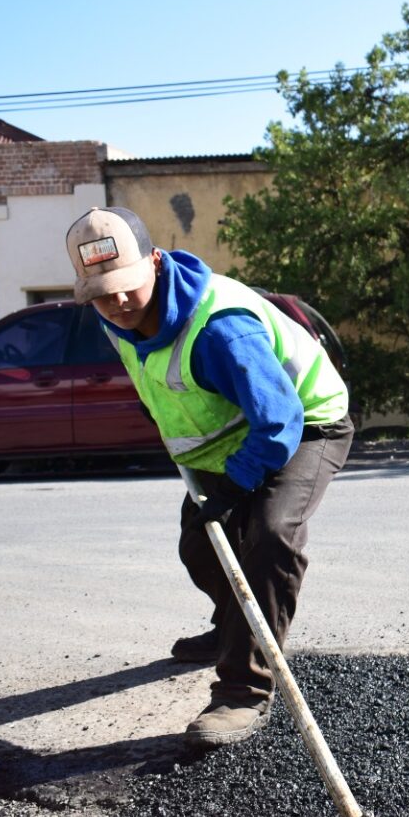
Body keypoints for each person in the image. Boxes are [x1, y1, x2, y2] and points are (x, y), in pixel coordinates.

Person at [65, 207, 353, 749]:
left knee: (269, 537)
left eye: (128, 286)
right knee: (200, 545)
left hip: (306, 424)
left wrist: (235, 485)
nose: (119, 302)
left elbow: (279, 422)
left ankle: (244, 690)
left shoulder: (220, 330)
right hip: (228, 434)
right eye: (103, 293)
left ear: (155, 262)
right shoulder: (113, 319)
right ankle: (235, 628)